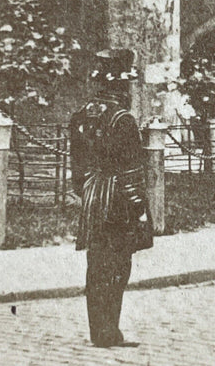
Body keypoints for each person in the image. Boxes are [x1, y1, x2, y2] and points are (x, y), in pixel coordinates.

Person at [70, 48, 153, 348]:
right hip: (117, 199)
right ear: (121, 85)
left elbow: (77, 169)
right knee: (118, 265)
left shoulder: (81, 115)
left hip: (92, 196)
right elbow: (131, 171)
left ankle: (98, 331)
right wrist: (140, 210)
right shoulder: (123, 120)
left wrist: (88, 190)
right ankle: (110, 331)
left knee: (96, 264)